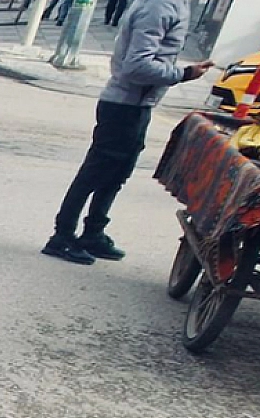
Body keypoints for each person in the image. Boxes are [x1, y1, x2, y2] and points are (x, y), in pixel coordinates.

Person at [42, 0, 212, 265]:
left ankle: (92, 233)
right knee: (94, 174)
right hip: (123, 106)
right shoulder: (158, 7)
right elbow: (136, 66)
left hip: (136, 105)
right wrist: (184, 73)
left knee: (117, 175)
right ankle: (62, 236)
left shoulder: (173, 5)